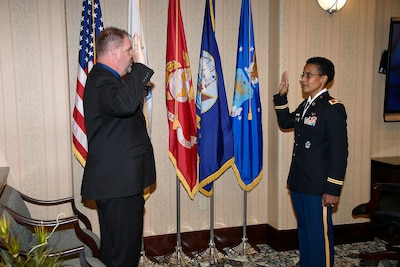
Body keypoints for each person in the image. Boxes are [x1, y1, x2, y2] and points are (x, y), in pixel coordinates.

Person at [81, 27, 156, 266]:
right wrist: (142, 67)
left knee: (114, 252)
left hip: (116, 184)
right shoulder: (103, 79)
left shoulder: (105, 79)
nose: (132, 56)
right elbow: (124, 104)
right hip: (118, 186)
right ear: (114, 51)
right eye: (129, 51)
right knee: (124, 255)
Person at [273, 57, 348, 267]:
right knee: (305, 229)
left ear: (323, 79)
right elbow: (287, 122)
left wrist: (333, 188)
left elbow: (339, 152)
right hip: (300, 181)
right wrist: (281, 97)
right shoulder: (307, 105)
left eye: (309, 75)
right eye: (303, 75)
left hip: (318, 186)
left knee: (319, 234)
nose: (303, 79)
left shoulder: (332, 108)